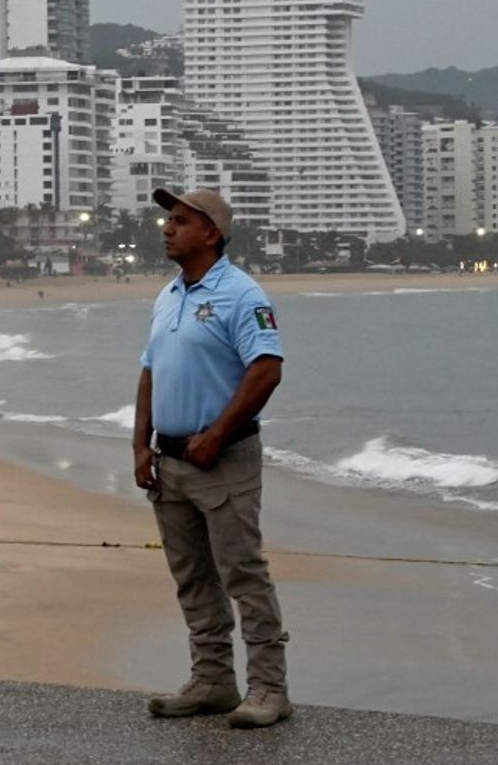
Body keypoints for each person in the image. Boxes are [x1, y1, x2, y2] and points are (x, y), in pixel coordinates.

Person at [132, 187, 290, 729]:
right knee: (192, 577)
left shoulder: (244, 295)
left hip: (223, 460)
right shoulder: (168, 294)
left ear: (212, 233)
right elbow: (150, 371)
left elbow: (266, 369)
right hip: (169, 461)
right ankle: (213, 681)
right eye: (167, 220)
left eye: (179, 220)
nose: (167, 228)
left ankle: (269, 687)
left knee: (243, 573)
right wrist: (139, 445)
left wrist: (217, 435)